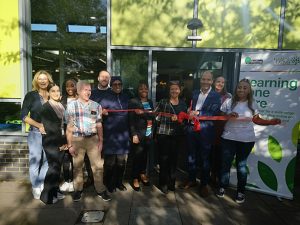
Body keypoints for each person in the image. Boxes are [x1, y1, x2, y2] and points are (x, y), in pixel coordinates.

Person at [216, 78, 281, 203]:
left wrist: (270, 122)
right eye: (239, 87)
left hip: (246, 140)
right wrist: (229, 116)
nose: (241, 89)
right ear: (236, 89)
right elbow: (220, 117)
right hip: (228, 138)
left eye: (244, 87)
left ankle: (240, 191)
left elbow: (257, 120)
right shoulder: (229, 102)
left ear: (249, 90)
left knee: (241, 166)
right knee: (225, 164)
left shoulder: (252, 104)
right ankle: (222, 187)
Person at [65, 80, 111, 202]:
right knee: (77, 166)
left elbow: (99, 124)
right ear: (79, 91)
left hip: (93, 139)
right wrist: (70, 145)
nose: (88, 92)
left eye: (90, 90)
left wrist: (101, 141)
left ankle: (100, 189)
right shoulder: (71, 106)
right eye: (86, 90)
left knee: (98, 166)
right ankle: (78, 190)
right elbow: (69, 127)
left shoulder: (96, 106)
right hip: (77, 139)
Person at [183, 70, 221, 197]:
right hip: (191, 129)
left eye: (208, 79)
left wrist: (198, 113)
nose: (205, 81)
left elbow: (214, 113)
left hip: (205, 131)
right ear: (200, 80)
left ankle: (204, 184)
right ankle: (192, 179)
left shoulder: (215, 96)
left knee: (205, 159)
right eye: (203, 79)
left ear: (212, 81)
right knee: (190, 156)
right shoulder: (194, 93)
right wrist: (189, 111)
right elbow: (190, 108)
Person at [21, 70, 53, 199]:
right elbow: (23, 116)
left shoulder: (52, 95)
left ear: (49, 80)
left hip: (50, 134)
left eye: (45, 78)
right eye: (40, 79)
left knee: (47, 161)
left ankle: (40, 183)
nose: (42, 81)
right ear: (36, 81)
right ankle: (35, 186)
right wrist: (39, 125)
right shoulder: (31, 95)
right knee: (35, 161)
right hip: (35, 134)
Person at [155, 81, 187, 194]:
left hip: (177, 135)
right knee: (164, 160)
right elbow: (155, 115)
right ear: (169, 91)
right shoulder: (163, 102)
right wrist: (165, 118)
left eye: (176, 89)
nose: (174, 91)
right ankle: (163, 183)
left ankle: (171, 182)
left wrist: (179, 121)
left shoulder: (183, 104)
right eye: (172, 89)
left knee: (174, 160)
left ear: (180, 90)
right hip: (163, 134)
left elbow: (185, 121)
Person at [101, 76, 130, 193]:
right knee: (110, 163)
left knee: (121, 162)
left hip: (123, 135)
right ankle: (108, 183)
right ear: (111, 86)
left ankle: (119, 182)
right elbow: (96, 114)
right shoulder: (106, 98)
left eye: (119, 84)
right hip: (111, 136)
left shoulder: (126, 97)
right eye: (115, 84)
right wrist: (102, 113)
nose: (117, 86)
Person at [40, 83, 67, 204]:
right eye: (53, 91)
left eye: (58, 91)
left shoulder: (60, 105)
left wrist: (65, 141)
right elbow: (51, 128)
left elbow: (63, 125)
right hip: (52, 142)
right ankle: (46, 195)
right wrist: (60, 143)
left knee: (57, 167)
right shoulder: (46, 107)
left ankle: (55, 190)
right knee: (53, 167)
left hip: (61, 140)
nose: (56, 93)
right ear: (48, 93)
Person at [128, 81, 154, 191]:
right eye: (141, 88)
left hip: (148, 133)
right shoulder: (133, 102)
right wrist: (133, 134)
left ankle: (143, 174)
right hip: (138, 134)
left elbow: (151, 116)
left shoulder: (150, 102)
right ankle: (135, 178)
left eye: (145, 88)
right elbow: (130, 120)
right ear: (137, 90)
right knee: (137, 156)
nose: (144, 90)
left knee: (145, 156)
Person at [211, 76, 232, 185]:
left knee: (220, 153)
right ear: (214, 82)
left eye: (222, 82)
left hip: (223, 128)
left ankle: (219, 178)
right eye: (218, 81)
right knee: (210, 152)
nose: (220, 84)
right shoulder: (209, 93)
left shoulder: (228, 96)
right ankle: (211, 175)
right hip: (210, 126)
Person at [60, 78, 78, 192]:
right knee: (66, 158)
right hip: (65, 131)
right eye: (67, 86)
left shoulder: (80, 99)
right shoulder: (62, 100)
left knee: (76, 159)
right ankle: (67, 181)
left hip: (77, 131)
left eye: (72, 85)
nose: (70, 88)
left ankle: (75, 182)